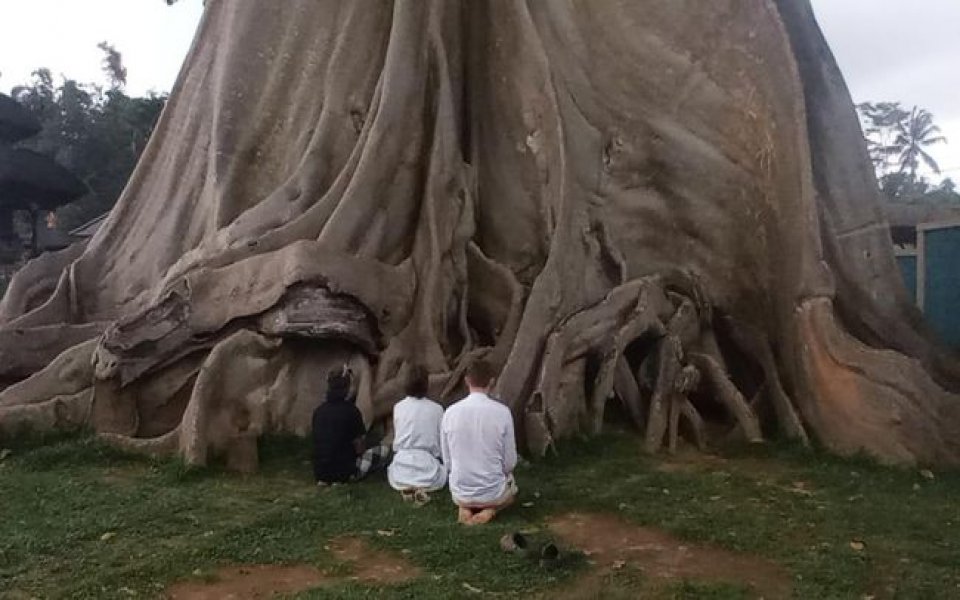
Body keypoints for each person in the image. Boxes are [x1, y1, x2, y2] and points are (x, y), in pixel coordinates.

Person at [441, 359, 518, 525]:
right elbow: (509, 463)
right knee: (512, 492)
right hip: (493, 492)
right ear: (492, 381)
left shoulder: (450, 413)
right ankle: (490, 510)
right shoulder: (503, 413)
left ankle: (465, 507)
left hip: (460, 491)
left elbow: (447, 462)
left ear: (467, 380)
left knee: (463, 489)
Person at [311, 367, 390, 485]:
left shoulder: (318, 411)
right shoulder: (352, 411)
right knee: (385, 450)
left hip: (320, 472)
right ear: (347, 388)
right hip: (346, 472)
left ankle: (326, 479)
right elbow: (359, 447)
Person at [387, 366, 447, 502]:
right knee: (442, 472)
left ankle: (408, 487)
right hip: (428, 465)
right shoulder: (437, 409)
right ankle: (420, 487)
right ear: (426, 385)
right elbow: (441, 441)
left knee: (393, 469)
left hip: (402, 465)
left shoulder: (399, 407)